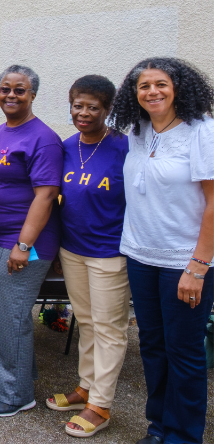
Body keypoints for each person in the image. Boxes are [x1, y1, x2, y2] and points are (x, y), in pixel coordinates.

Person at [112, 57, 214, 444]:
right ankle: (159, 426)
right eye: (143, 86)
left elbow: (213, 203)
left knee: (184, 352)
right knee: (153, 347)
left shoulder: (202, 131)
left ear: (179, 88)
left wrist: (198, 266)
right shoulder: (138, 130)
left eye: (161, 84)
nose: (152, 91)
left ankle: (184, 436)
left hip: (184, 261)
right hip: (140, 256)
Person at [0, 64, 63, 418]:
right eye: (5, 89)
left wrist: (24, 244)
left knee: (11, 315)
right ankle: (5, 378)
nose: (10, 95)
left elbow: (46, 196)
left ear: (33, 95)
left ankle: (15, 394)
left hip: (25, 241)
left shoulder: (42, 138)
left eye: (19, 90)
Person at [46, 75, 129, 438]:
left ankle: (101, 404)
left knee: (110, 328)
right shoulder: (66, 146)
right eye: (77, 105)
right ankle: (85, 388)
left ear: (108, 110)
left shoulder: (125, 148)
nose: (83, 113)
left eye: (92, 107)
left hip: (110, 253)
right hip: (73, 249)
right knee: (87, 321)